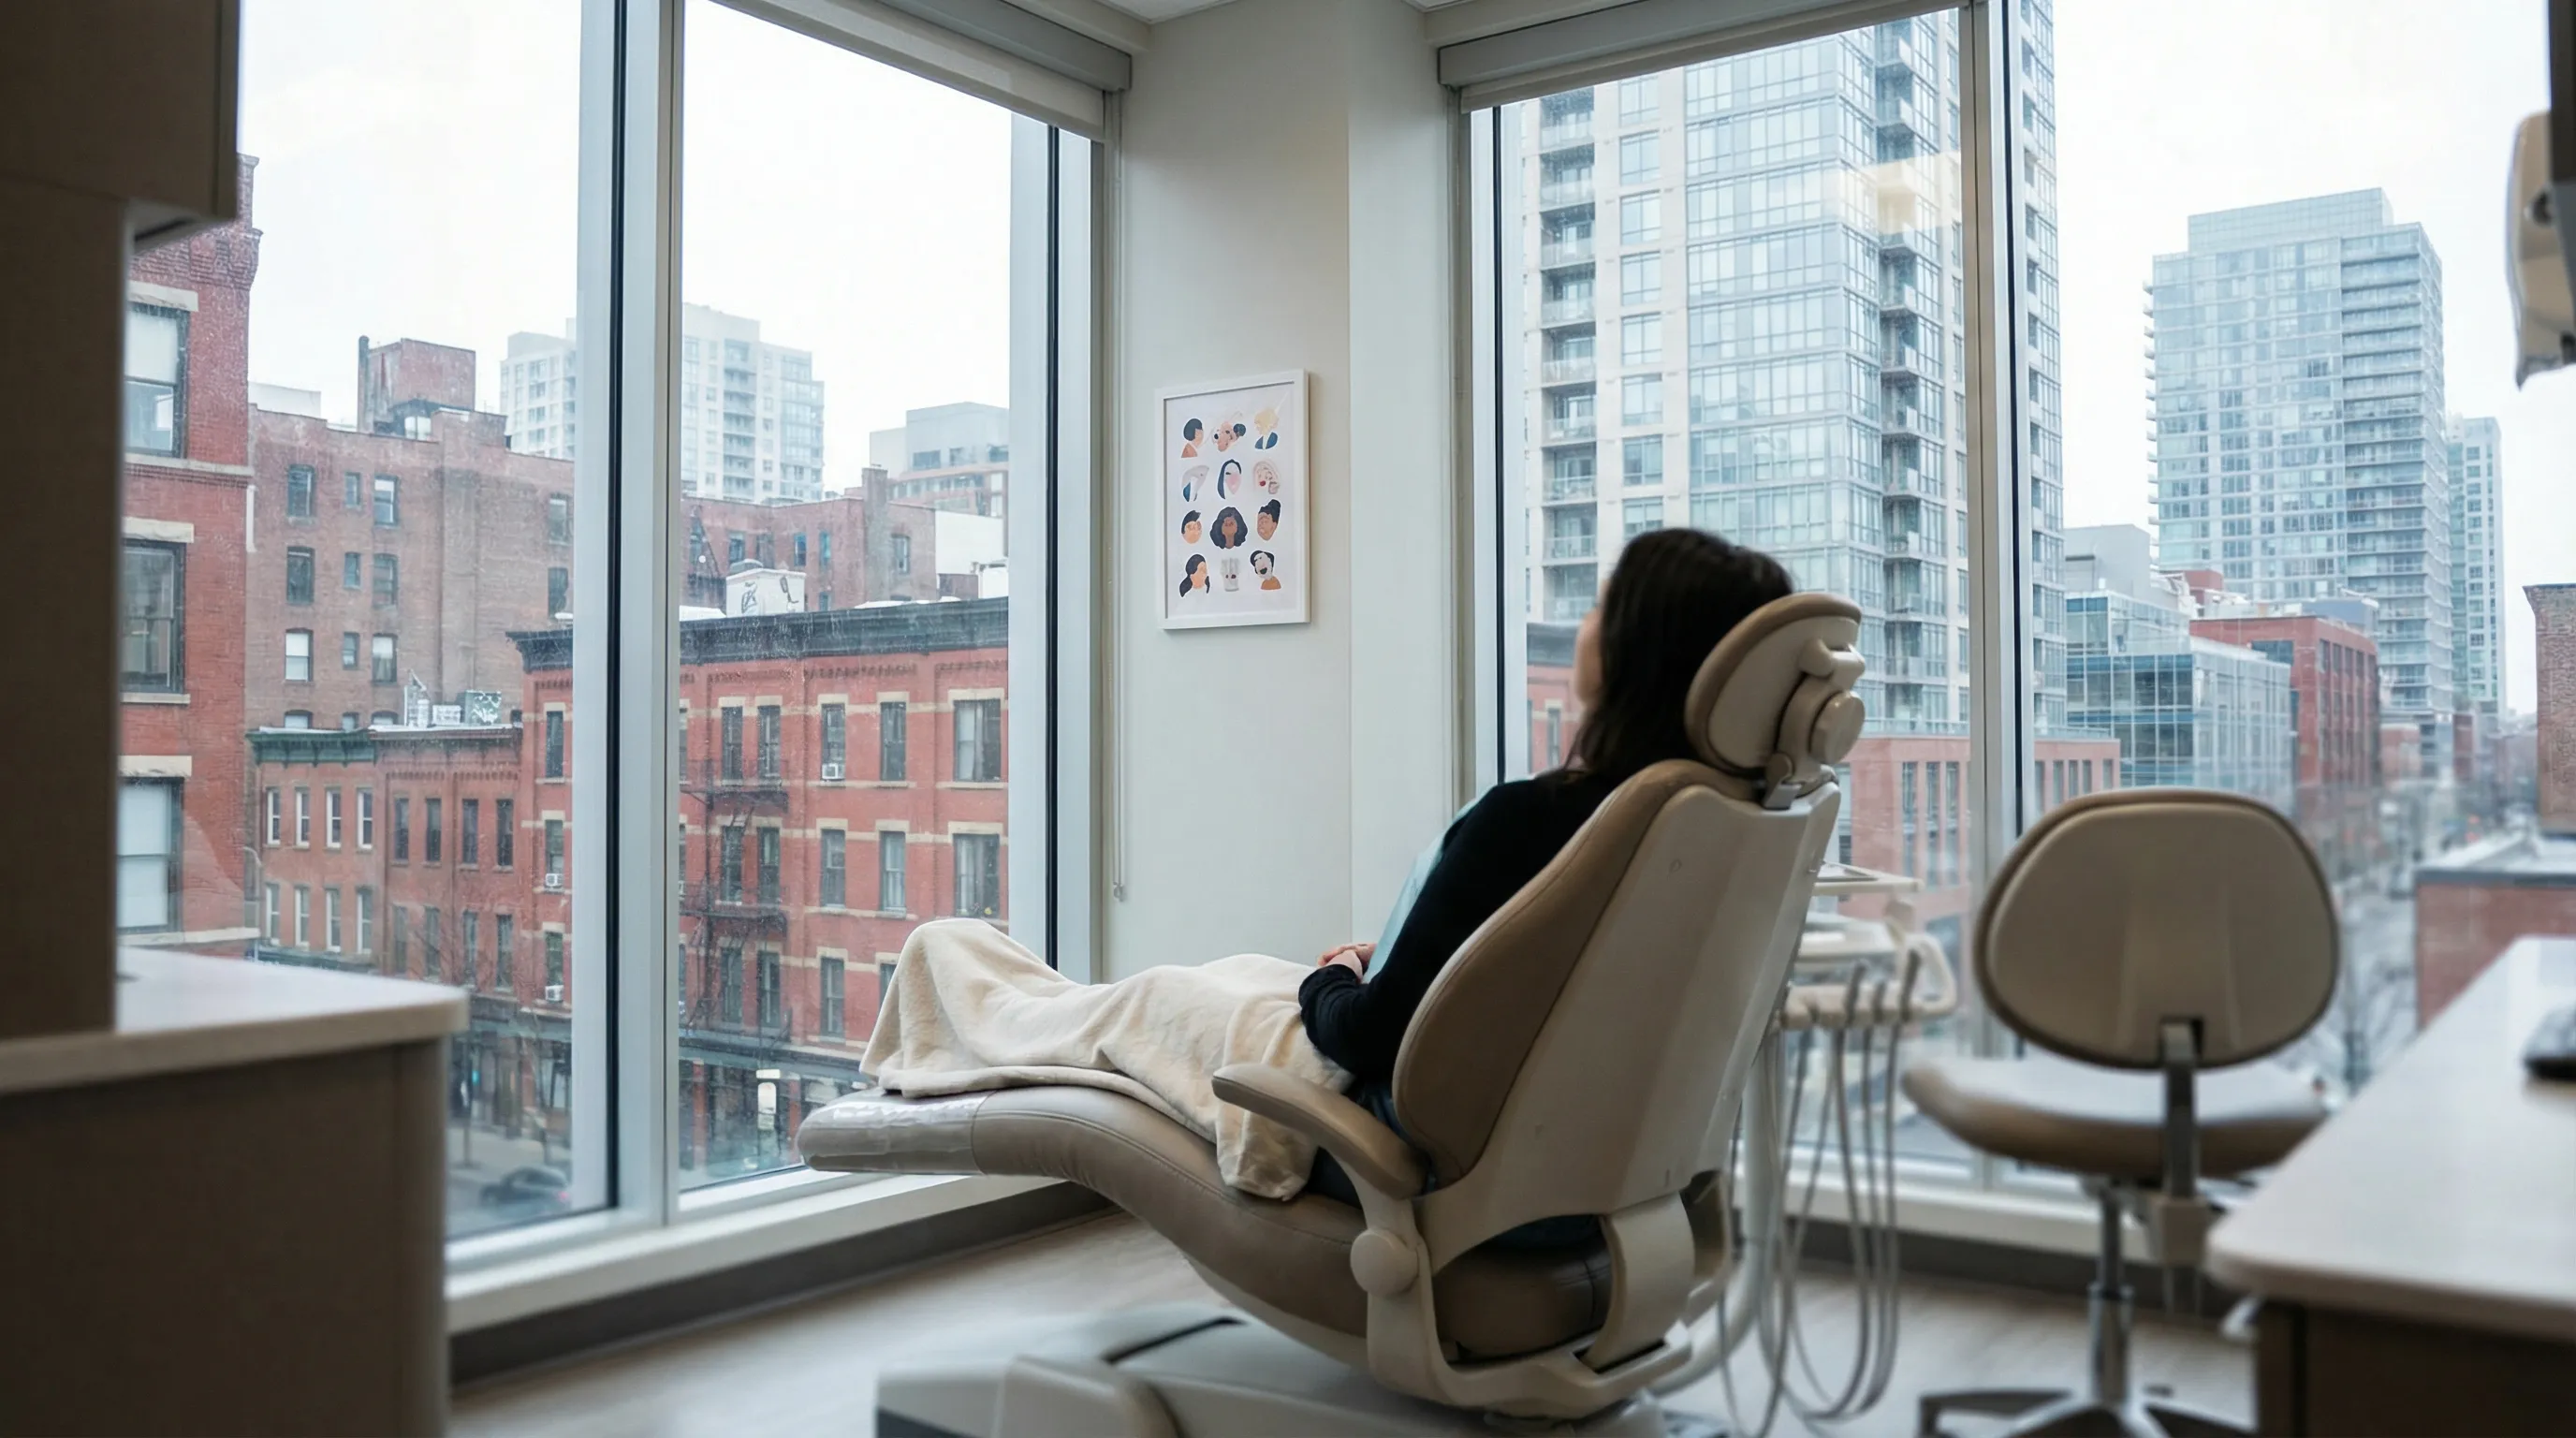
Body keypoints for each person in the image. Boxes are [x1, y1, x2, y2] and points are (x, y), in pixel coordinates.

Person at [1298, 529, 1793, 1229]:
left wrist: (1332, 977)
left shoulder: (1535, 820)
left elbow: (1370, 1037)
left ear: (1639, 650)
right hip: (1626, 1184)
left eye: (1598, 607)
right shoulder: (1724, 830)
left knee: (1160, 1008)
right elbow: (1568, 983)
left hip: (1454, 1183)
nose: (1583, 626)